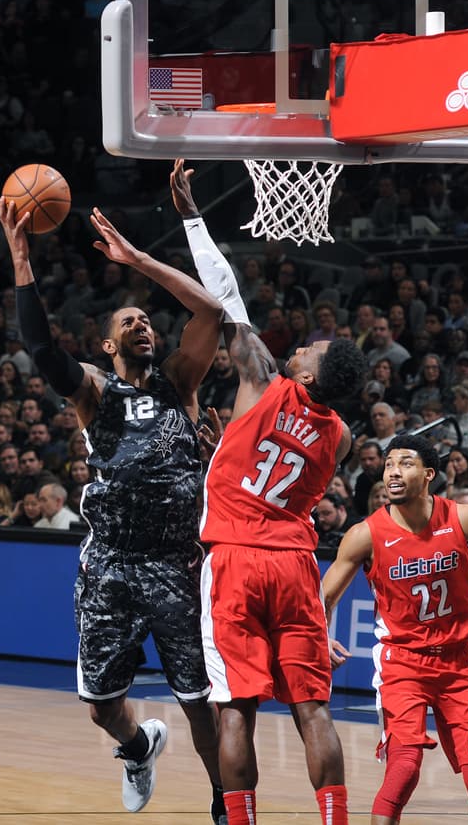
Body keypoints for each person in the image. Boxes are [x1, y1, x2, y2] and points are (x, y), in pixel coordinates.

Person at [0, 159, 227, 821]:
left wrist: (137, 259)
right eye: (129, 320)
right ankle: (136, 745)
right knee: (101, 702)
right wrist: (21, 256)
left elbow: (209, 310)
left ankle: (222, 799)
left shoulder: (180, 384)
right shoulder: (97, 392)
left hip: (177, 563)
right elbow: (41, 350)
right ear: (106, 342)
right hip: (112, 564)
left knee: (197, 697)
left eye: (147, 320)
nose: (142, 325)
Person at [179, 161, 368, 825]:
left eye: (314, 349)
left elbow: (225, 291)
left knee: (235, 709)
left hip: (234, 557)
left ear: (313, 372)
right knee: (312, 707)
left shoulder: (260, 377)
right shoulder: (341, 434)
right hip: (294, 562)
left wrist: (191, 215)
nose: (306, 346)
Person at [322, 436, 468, 825]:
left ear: (428, 474)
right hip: (402, 665)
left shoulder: (464, 518)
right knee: (403, 771)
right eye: (389, 464)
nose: (393, 471)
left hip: (460, 666)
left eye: (404, 463)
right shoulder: (366, 534)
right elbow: (320, 600)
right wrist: (320, 634)